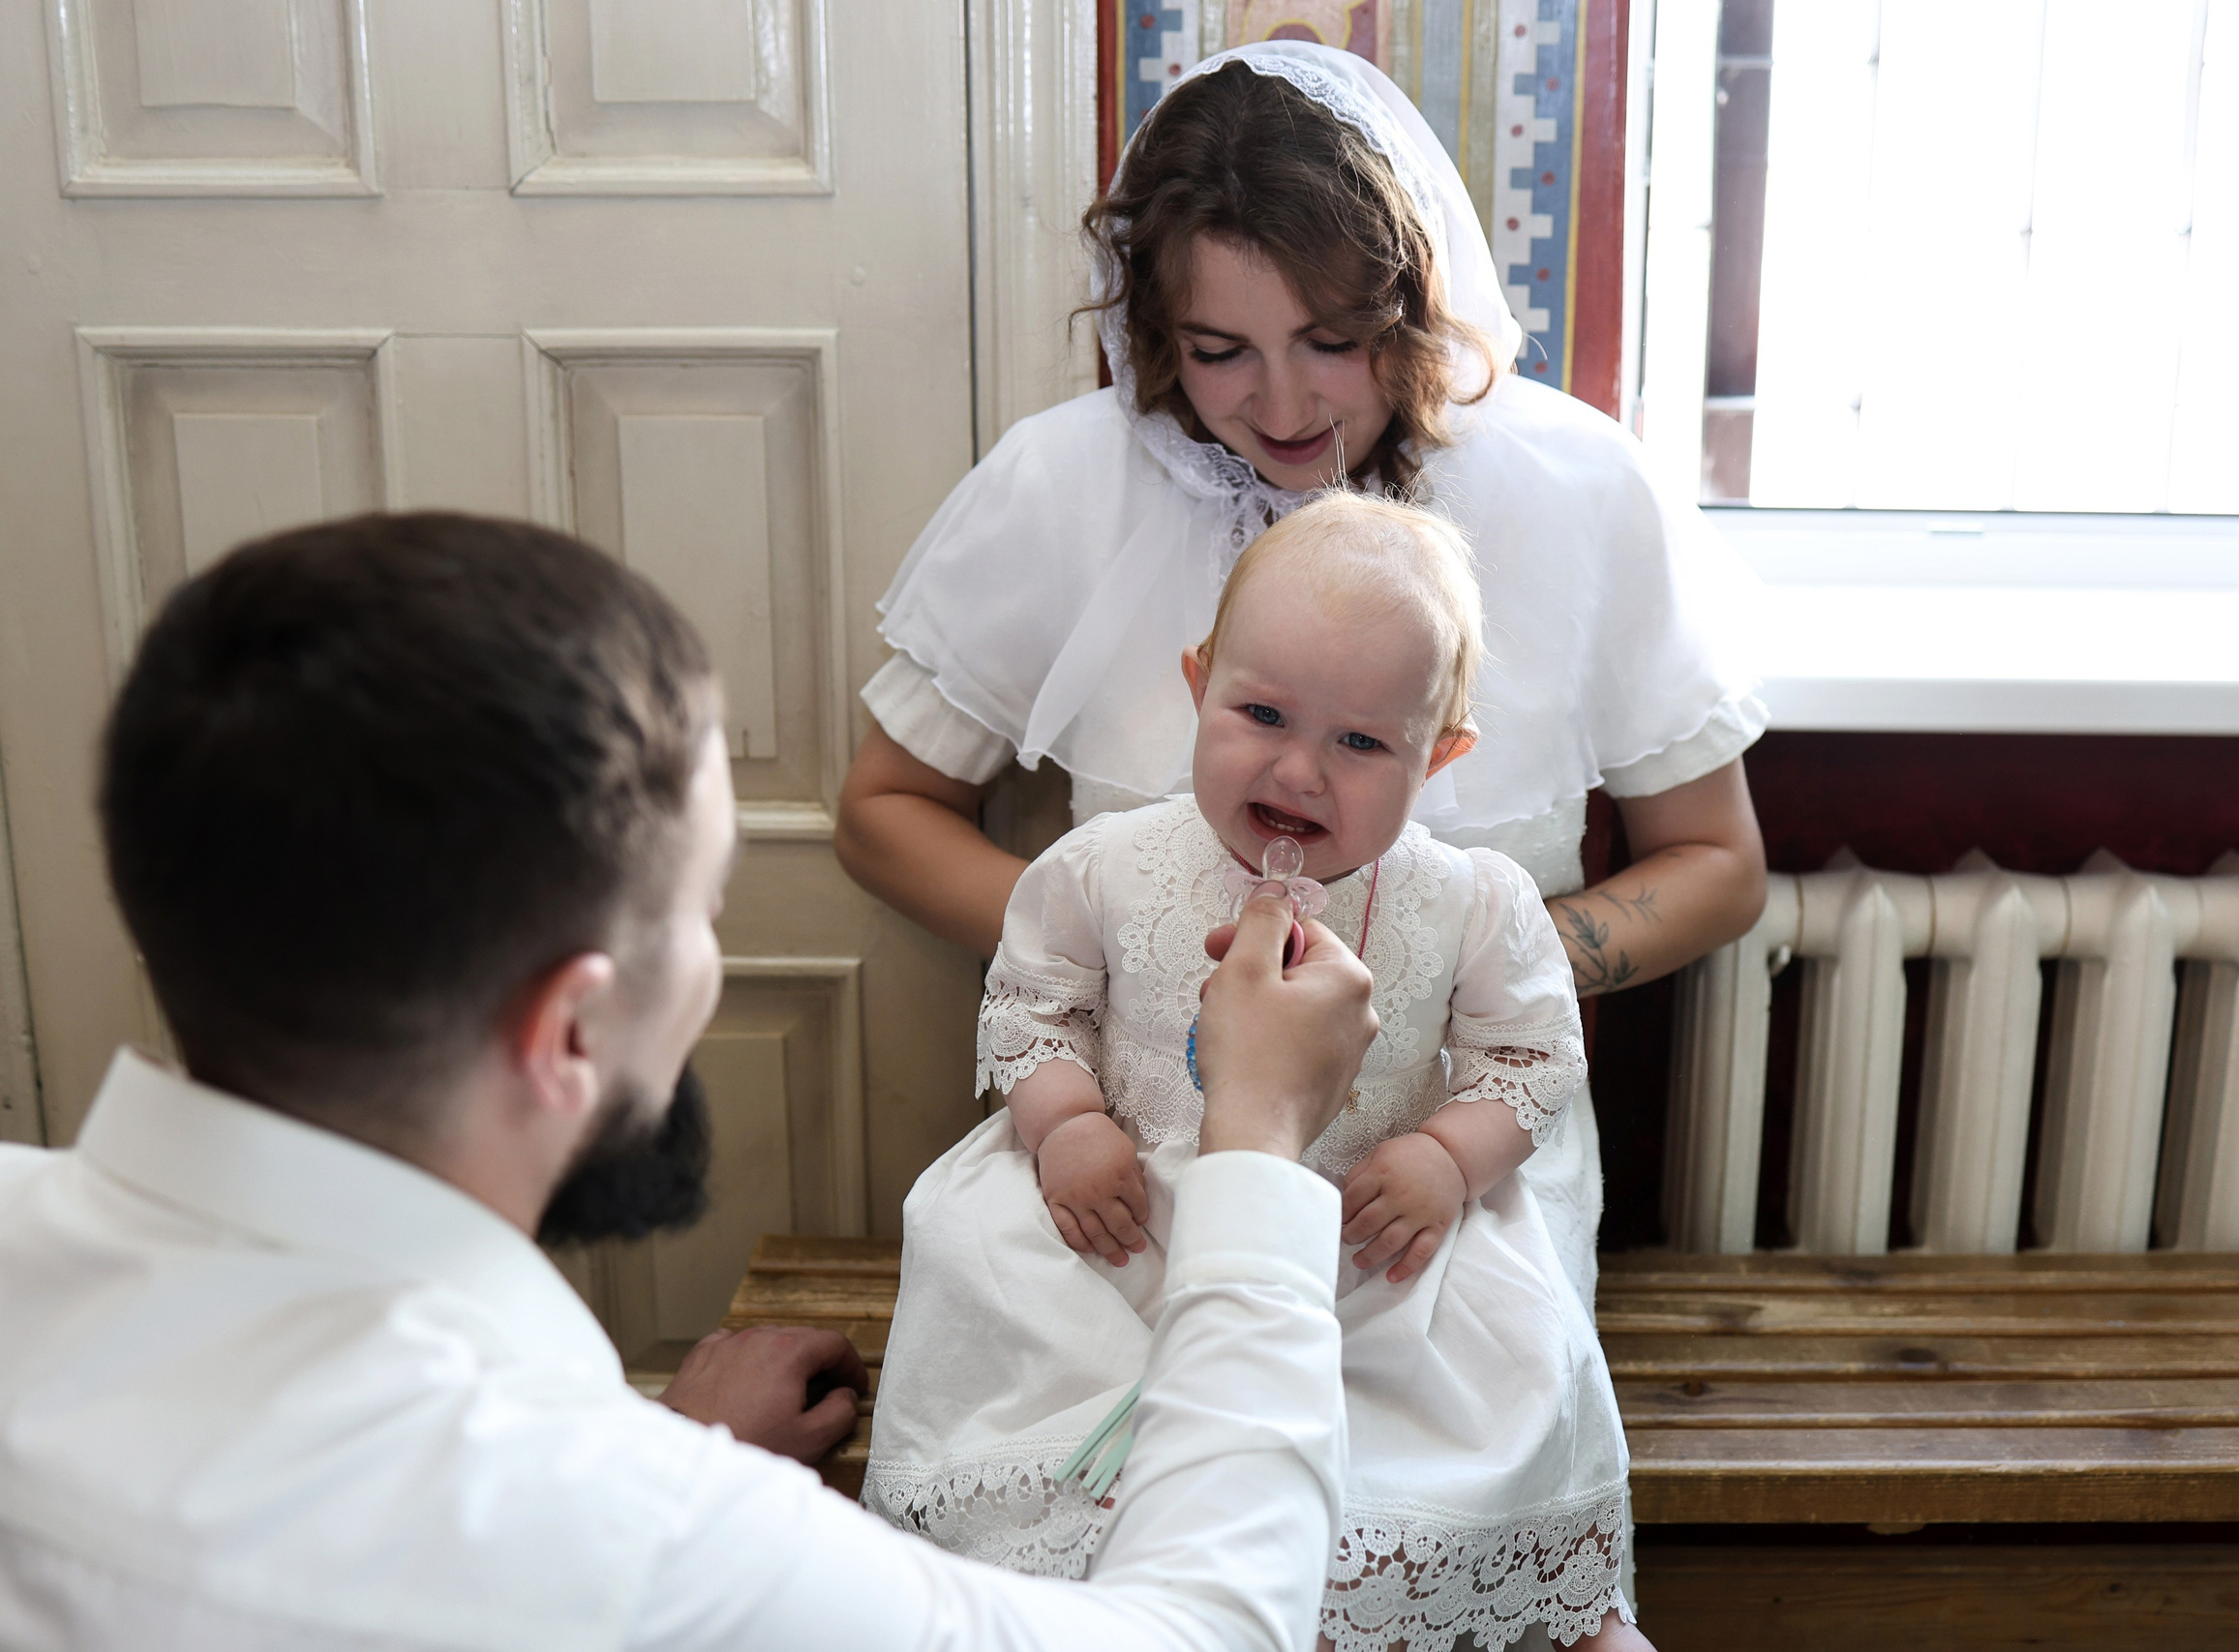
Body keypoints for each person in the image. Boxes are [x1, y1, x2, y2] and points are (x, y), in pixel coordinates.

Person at [0, 512, 1384, 1652]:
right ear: (569, 1029)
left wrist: (663, 1440)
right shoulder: (641, 1546)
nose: (712, 967)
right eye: (699, 913)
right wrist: (1257, 1134)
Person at [837, 41, 1770, 1310]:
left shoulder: (1583, 488)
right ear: (1156, 329)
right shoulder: (1062, 486)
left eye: (1331, 340)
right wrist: (1114, 947)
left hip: (1446, 1183)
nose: (1282, 404)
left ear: (1410, 300)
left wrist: (1464, 968)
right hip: (1130, 1164)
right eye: (1220, 349)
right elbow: (883, 814)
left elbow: (1718, 865)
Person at [863, 495, 1648, 1652]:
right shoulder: (1106, 870)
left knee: (1495, 1390)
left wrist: (1445, 1153)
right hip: (1125, 1223)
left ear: (1438, 755)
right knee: (1017, 1311)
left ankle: (1524, 1600)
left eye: (1361, 742)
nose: (1298, 770)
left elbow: (1529, 1059)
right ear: (1198, 683)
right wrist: (1066, 1119)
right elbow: (1034, 1006)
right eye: (1262, 713)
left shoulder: (1469, 903)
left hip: (1366, 1241)